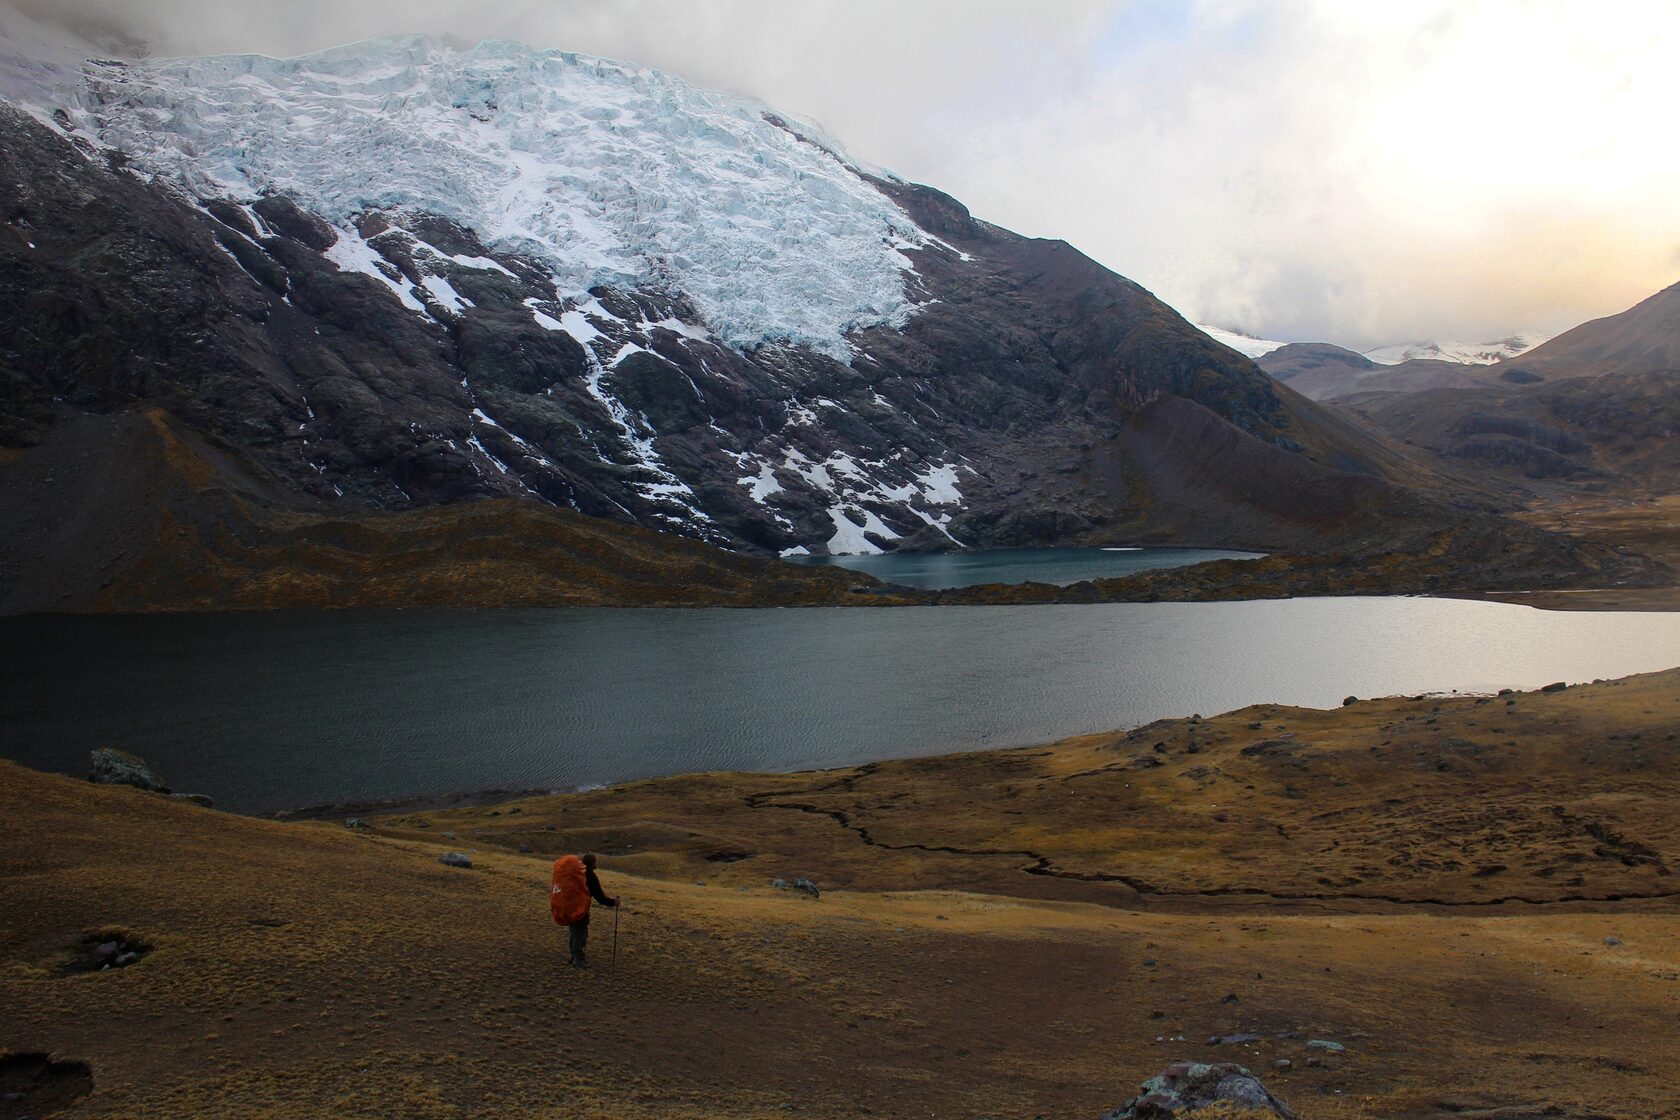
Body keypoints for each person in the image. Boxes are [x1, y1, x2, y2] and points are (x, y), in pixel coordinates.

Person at [550, 852, 618, 968]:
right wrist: (613, 902)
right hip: (581, 908)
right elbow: (600, 897)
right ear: (592, 864)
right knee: (580, 933)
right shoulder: (590, 876)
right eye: (595, 862)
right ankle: (579, 959)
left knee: (573, 931)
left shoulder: (576, 874)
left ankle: (573, 956)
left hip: (570, 906)